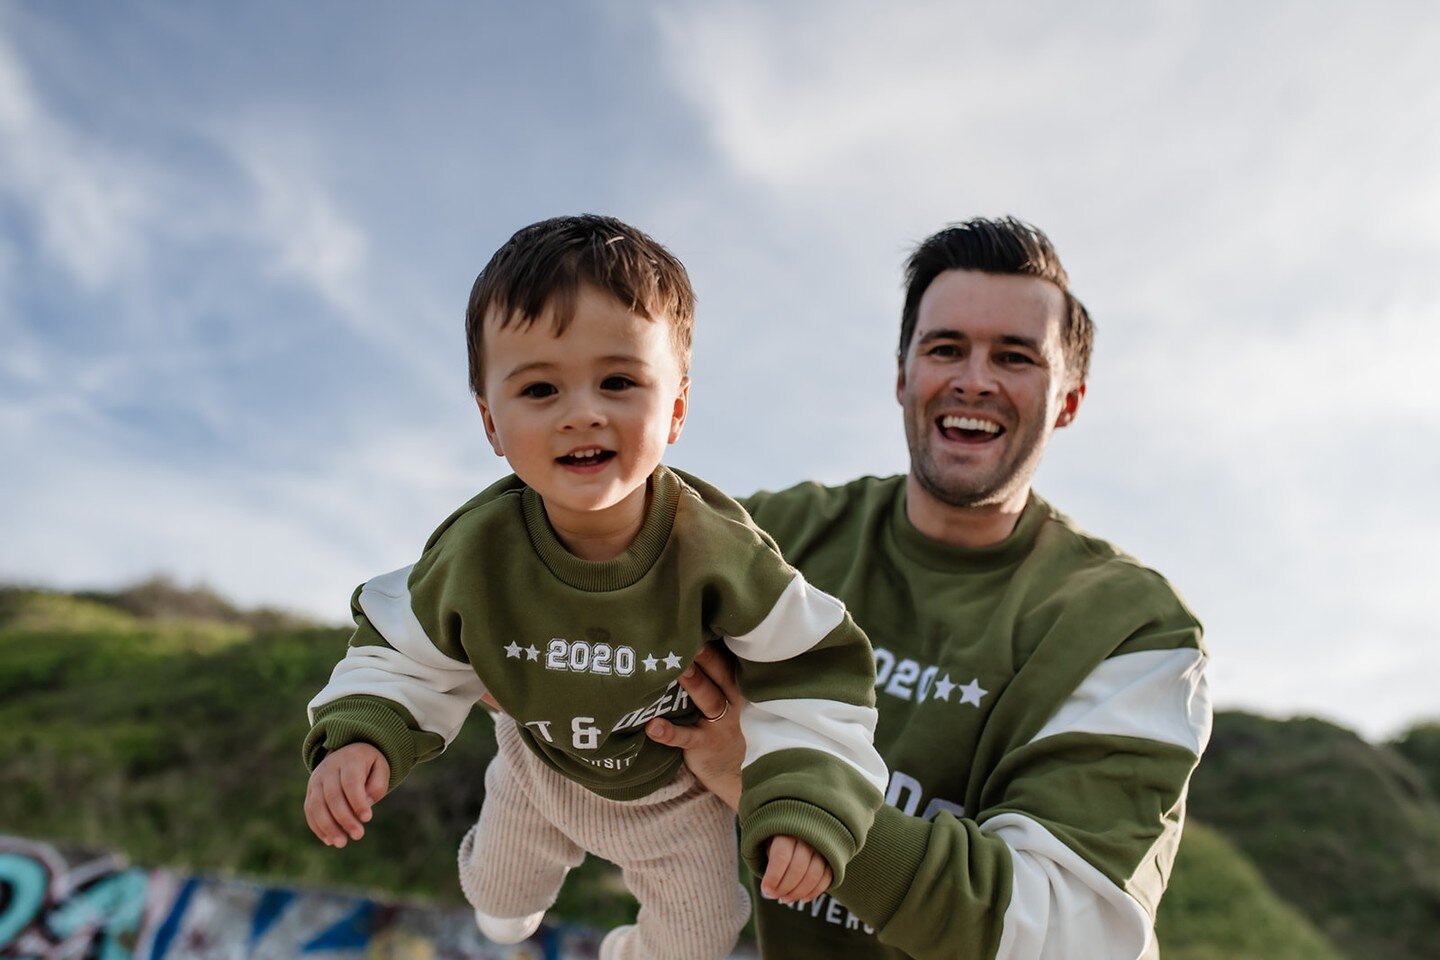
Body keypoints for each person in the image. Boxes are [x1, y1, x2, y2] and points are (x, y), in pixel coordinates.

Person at [300, 215, 887, 960]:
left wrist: (804, 798)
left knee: (702, 939)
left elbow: (816, 671)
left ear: (674, 408)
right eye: (540, 388)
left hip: (673, 796)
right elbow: (400, 648)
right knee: (498, 900)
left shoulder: (719, 551)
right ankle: (509, 904)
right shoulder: (478, 549)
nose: (583, 412)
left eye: (618, 381)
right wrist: (361, 733)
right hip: (536, 766)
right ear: (491, 423)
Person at [648, 216, 1212, 960]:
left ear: (1069, 401)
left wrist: (769, 774)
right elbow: (585, 589)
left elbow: (1061, 935)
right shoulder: (777, 537)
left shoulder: (1133, 630)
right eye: (946, 348)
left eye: (1015, 357)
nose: (973, 379)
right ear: (903, 375)